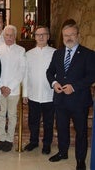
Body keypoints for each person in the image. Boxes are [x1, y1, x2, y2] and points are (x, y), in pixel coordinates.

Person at [46, 19, 95, 170]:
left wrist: (74, 87)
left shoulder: (89, 54)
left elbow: (91, 76)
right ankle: (62, 152)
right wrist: (54, 84)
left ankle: (80, 160)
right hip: (60, 99)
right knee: (61, 128)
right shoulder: (58, 53)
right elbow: (50, 72)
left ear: (78, 35)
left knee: (80, 132)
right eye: (66, 35)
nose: (68, 38)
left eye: (72, 34)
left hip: (79, 101)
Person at [22, 26, 56, 155]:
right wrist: (25, 93)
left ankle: (47, 144)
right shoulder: (28, 54)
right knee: (33, 121)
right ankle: (33, 141)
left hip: (49, 94)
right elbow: (25, 74)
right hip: (33, 94)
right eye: (38, 35)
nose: (41, 37)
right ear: (34, 37)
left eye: (44, 34)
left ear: (48, 36)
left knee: (48, 122)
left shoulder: (55, 53)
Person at [0, 25, 26, 152]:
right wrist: (1, 86)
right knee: (1, 114)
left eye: (12, 35)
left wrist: (10, 87)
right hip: (0, 89)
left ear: (15, 36)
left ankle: (10, 140)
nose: (9, 37)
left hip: (14, 90)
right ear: (3, 36)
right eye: (7, 35)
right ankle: (2, 139)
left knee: (12, 115)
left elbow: (21, 71)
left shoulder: (21, 50)